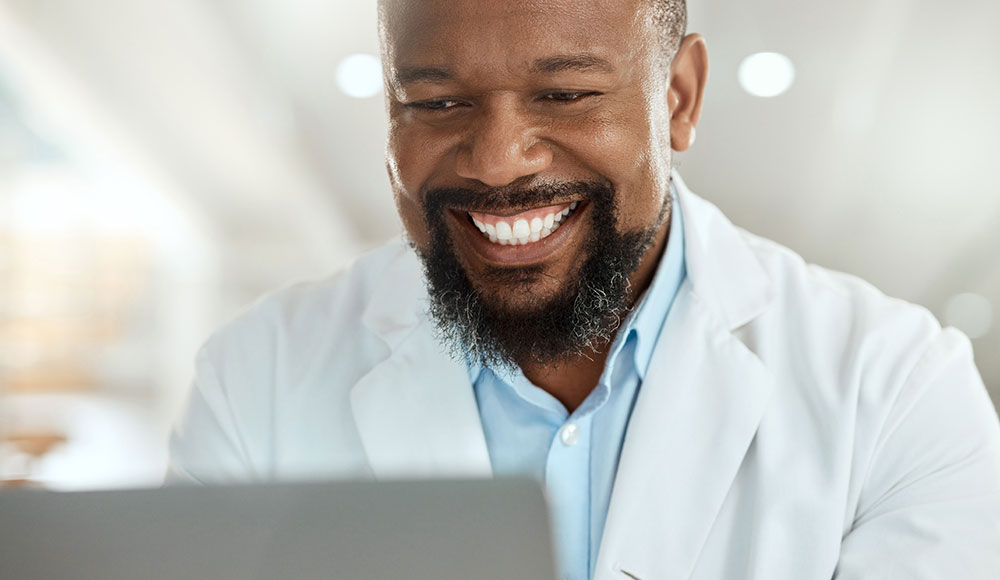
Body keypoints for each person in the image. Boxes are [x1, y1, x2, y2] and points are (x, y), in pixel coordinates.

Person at [168, 0, 1000, 578]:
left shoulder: (896, 388)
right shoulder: (257, 379)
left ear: (677, 97)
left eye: (564, 95)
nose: (497, 160)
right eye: (437, 101)